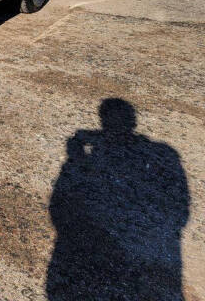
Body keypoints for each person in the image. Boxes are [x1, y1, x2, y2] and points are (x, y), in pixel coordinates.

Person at [47, 98, 189, 300]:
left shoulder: (161, 154)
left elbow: (59, 206)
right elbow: (180, 213)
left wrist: (76, 156)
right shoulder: (163, 154)